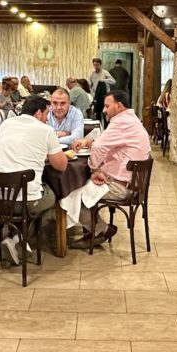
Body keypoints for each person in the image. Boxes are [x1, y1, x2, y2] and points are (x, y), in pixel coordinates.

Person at [0, 95, 68, 263]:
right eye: (46, 113)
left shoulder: (6, 124)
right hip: (24, 201)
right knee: (52, 196)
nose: (47, 118)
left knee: (26, 194)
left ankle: (15, 237)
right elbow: (61, 166)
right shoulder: (46, 130)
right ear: (38, 113)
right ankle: (19, 239)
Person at [70, 89, 151, 242]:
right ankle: (94, 230)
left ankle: (101, 230)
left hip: (121, 187)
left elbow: (99, 147)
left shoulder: (121, 123)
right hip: (134, 185)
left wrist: (95, 169)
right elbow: (108, 143)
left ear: (119, 106)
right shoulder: (131, 120)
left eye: (107, 106)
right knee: (81, 188)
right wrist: (88, 142)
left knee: (71, 196)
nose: (104, 110)